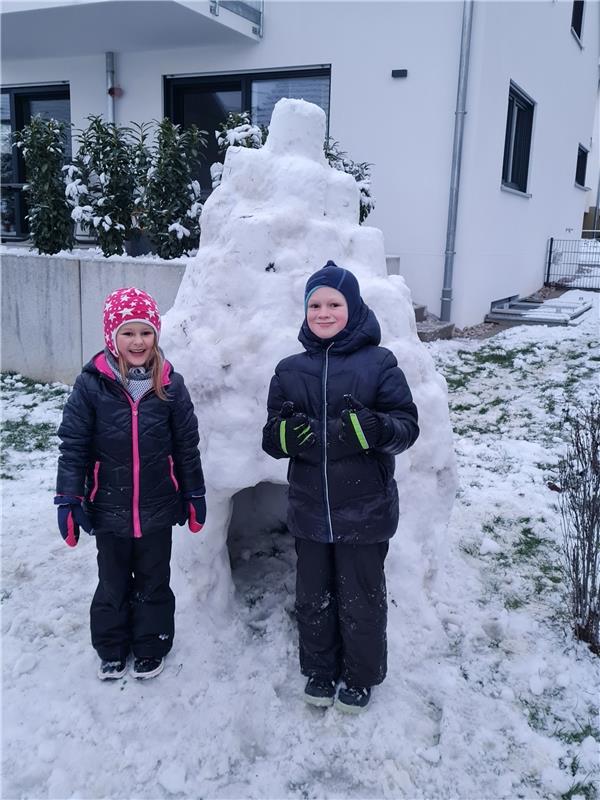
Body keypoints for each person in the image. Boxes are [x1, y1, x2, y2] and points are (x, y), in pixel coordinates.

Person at [262, 261, 419, 713]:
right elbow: (271, 436)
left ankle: (360, 676)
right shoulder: (289, 370)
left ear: (354, 308)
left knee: (361, 598)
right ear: (305, 311)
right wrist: (286, 437)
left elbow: (407, 426)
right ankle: (320, 670)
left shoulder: (379, 363)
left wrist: (373, 428)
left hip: (365, 510)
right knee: (313, 595)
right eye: (315, 304)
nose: (324, 312)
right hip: (311, 509)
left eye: (334, 303)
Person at [55, 287, 206, 681]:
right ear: (112, 337)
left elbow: (187, 445)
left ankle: (151, 644)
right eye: (128, 333)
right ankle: (111, 646)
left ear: (156, 335)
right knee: (112, 580)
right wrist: (69, 497)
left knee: (155, 579)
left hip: (158, 506)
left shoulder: (171, 384)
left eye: (145, 332)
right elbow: (73, 444)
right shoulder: (91, 385)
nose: (138, 341)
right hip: (109, 507)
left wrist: (194, 492)